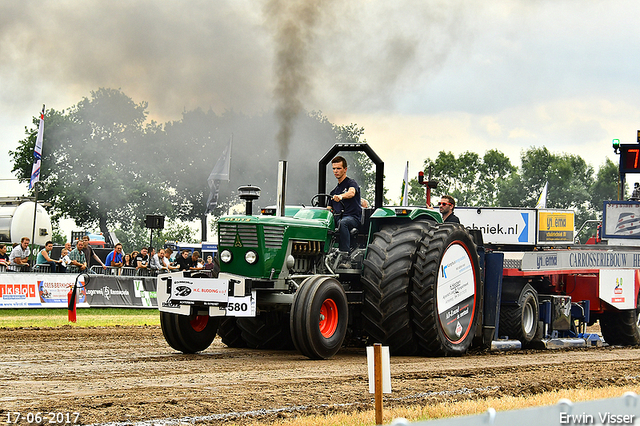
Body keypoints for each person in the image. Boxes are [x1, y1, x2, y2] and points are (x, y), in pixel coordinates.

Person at [329, 156, 362, 258]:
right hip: (338, 218)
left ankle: (345, 255)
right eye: (334, 168)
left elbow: (351, 193)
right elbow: (328, 209)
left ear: (345, 169)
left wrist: (341, 196)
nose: (336, 171)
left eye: (338, 168)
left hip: (352, 218)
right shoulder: (333, 192)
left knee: (342, 223)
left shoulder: (351, 183)